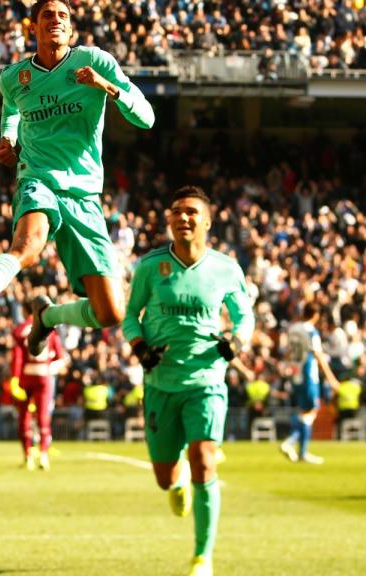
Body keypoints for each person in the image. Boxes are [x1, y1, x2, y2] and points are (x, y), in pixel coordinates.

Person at [0, 0, 155, 358]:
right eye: (47, 15)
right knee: (28, 246)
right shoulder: (14, 77)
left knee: (110, 312)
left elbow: (146, 118)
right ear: (33, 28)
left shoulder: (95, 62)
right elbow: (11, 114)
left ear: (71, 30)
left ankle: (48, 315)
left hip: (84, 194)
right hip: (37, 178)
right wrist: (8, 140)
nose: (56, 20)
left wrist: (107, 87)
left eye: (63, 16)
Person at [122, 186, 255, 576]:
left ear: (208, 221)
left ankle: (202, 557)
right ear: (168, 220)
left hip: (207, 380)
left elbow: (244, 316)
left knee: (205, 460)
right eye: (177, 211)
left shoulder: (226, 268)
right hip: (161, 382)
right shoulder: (150, 266)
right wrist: (140, 348)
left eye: (192, 212)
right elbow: (131, 315)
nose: (183, 218)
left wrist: (238, 341)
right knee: (165, 478)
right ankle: (175, 482)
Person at [280, 305, 340, 465]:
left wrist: (287, 365)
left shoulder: (293, 329)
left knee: (304, 411)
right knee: (311, 411)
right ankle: (293, 444)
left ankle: (299, 449)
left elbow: (287, 351)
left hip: (295, 373)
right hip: (308, 374)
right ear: (315, 314)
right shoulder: (311, 331)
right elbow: (318, 354)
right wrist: (331, 378)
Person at [10, 298, 66, 470]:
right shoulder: (51, 330)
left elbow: (17, 357)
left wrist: (14, 378)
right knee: (43, 417)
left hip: (26, 376)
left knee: (24, 417)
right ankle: (43, 455)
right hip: (44, 376)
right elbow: (61, 358)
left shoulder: (20, 331)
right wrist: (49, 368)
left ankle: (28, 456)